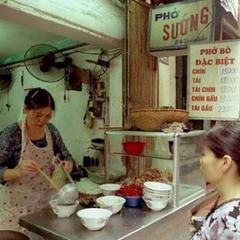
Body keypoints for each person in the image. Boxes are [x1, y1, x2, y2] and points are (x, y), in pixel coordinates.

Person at [0, 88, 74, 233]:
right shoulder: (12, 134)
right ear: (26, 109)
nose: (42, 121)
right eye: (38, 115)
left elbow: (67, 156)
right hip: (17, 208)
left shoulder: (51, 131)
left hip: (45, 203)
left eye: (48, 116)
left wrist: (68, 164)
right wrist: (18, 171)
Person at [191, 122, 240, 239]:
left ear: (225, 163)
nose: (200, 160)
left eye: (203, 154)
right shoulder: (226, 200)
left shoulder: (231, 222)